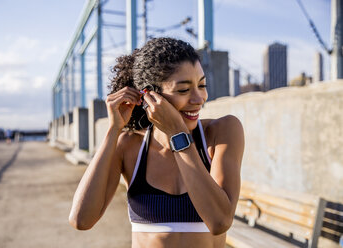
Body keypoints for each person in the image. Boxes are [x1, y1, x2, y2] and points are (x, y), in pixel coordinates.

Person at [69, 37, 244, 248]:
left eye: (202, 85)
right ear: (150, 96)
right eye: (183, 90)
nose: (199, 99)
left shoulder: (222, 132)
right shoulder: (129, 146)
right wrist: (113, 130)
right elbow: (81, 220)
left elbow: (219, 221)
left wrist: (178, 135)